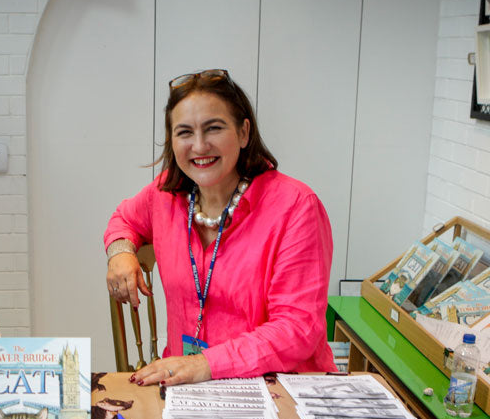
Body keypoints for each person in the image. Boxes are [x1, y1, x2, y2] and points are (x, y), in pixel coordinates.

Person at [104, 69, 335, 386]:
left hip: (276, 388)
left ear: (244, 133)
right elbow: (124, 219)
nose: (199, 146)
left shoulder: (296, 207)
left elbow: (297, 329)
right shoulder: (166, 195)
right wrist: (120, 252)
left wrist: (205, 364)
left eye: (213, 128)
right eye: (184, 132)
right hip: (189, 384)